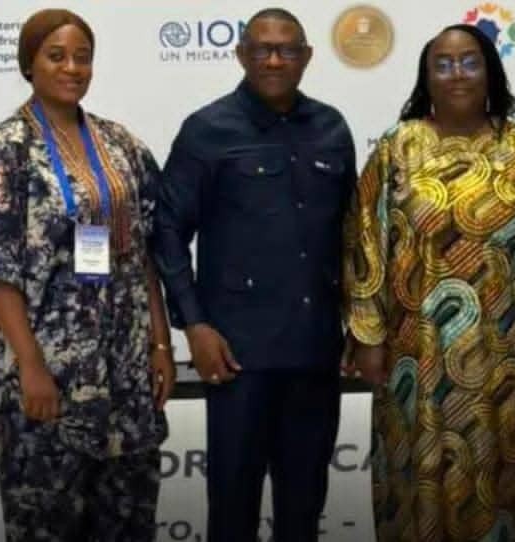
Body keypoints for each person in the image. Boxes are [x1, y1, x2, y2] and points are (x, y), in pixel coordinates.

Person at [343, 24, 515, 542]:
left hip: (500, 358)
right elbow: (364, 239)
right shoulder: (398, 148)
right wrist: (367, 335)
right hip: (412, 358)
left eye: (469, 62)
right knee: (413, 485)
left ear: (490, 73)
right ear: (426, 78)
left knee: (495, 482)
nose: (456, 74)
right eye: (442, 64)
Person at [0, 8, 173, 541]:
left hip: (123, 373)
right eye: (56, 56)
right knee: (48, 524)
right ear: (29, 64)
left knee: (127, 521)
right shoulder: (7, 148)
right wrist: (31, 366)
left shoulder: (120, 143)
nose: (72, 68)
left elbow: (144, 253)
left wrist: (161, 344)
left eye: (83, 57)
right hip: (49, 373)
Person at [152, 8, 356, 541]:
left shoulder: (333, 128)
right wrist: (194, 325)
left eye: (287, 50)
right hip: (237, 358)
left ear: (306, 57)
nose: (274, 60)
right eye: (262, 49)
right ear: (242, 55)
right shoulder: (207, 130)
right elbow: (167, 231)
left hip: (314, 355)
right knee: (232, 512)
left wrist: (360, 325)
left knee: (303, 510)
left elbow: (353, 235)